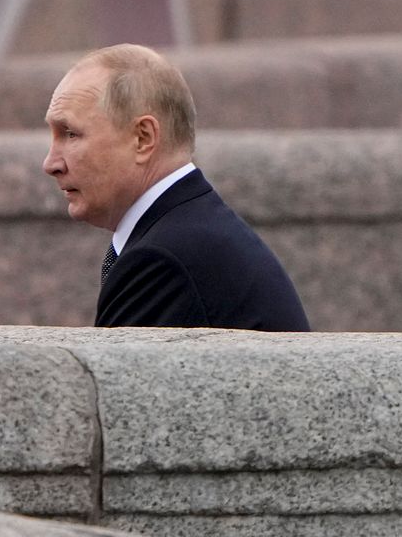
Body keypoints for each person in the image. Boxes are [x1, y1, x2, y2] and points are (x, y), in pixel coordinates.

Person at [42, 44, 309, 331]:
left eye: (71, 134)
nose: (50, 163)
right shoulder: (189, 231)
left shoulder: (161, 260)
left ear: (143, 139)